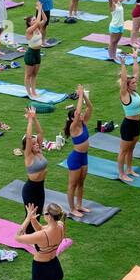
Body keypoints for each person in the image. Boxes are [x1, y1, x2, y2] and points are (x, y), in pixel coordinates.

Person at [62, 87, 92, 218]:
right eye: (77, 115)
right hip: (75, 158)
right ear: (73, 118)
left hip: (84, 157)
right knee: (72, 184)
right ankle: (72, 208)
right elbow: (79, 109)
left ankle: (79, 205)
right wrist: (80, 95)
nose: (80, 115)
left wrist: (85, 96)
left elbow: (90, 108)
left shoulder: (83, 123)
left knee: (81, 182)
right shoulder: (73, 127)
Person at [114, 52, 140, 183]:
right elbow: (125, 79)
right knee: (124, 150)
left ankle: (130, 169)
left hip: (137, 124)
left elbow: (136, 74)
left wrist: (135, 59)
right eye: (133, 83)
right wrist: (123, 64)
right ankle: (121, 173)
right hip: (128, 125)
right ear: (127, 85)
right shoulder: (125, 95)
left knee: (132, 148)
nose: (136, 83)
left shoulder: (134, 92)